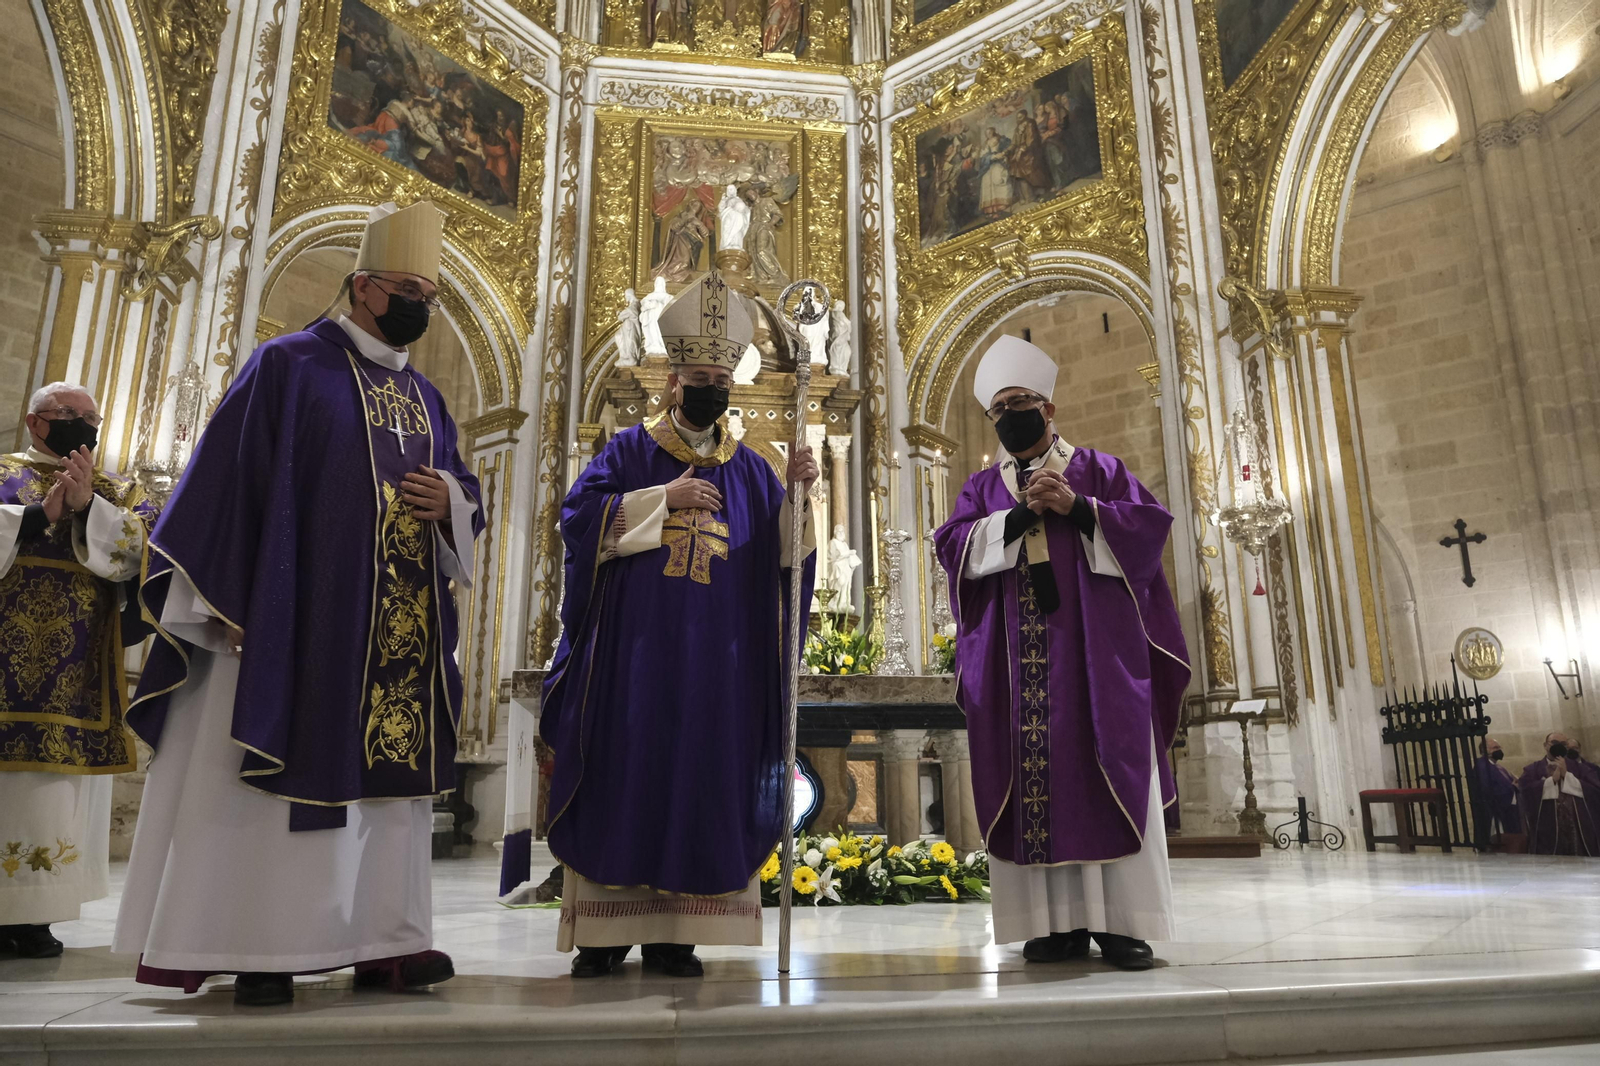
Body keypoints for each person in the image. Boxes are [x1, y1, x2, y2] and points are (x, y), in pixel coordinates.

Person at [112, 201, 484, 1006]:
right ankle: (262, 946)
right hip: (296, 618)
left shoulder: (426, 398)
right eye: (407, 290)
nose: (419, 306)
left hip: (395, 633)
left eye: (430, 295)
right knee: (273, 780)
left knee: (389, 778)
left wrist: (450, 501)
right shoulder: (287, 365)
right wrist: (226, 600)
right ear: (363, 287)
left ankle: (387, 942)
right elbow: (226, 482)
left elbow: (465, 492)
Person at [540, 270, 817, 979]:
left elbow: (787, 564)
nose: (710, 389)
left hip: (717, 672)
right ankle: (603, 937)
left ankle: (676, 937)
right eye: (698, 378)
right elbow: (578, 522)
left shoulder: (752, 471)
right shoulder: (629, 452)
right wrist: (662, 498)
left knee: (698, 781)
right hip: (632, 663)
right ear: (672, 382)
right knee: (624, 776)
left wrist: (800, 497)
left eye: (720, 380)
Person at [934, 336, 1189, 971]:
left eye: (1021, 403)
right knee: (1033, 786)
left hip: (1097, 663)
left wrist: (1079, 509)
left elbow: (1148, 531)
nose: (1010, 417)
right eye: (999, 409)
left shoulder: (1100, 471)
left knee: (1109, 772)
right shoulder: (982, 488)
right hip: (1016, 671)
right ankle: (1052, 926)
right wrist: (1016, 519)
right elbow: (953, 547)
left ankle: (1122, 924)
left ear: (1048, 409)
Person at [0, 384, 159, 958]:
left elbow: (146, 552)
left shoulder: (120, 489)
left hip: (78, 668)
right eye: (70, 414)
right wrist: (38, 515)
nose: (84, 425)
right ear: (35, 422)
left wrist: (91, 506)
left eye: (92, 417)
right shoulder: (4, 473)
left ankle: (36, 914)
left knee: (54, 789)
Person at [1517, 733, 1599, 856]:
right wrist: (1550, 782)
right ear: (1545, 745)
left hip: (1577, 826)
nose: (1559, 746)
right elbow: (1525, 790)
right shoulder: (1532, 769)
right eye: (1554, 743)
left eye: (1563, 744)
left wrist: (1567, 776)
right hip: (1547, 827)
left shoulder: (1580, 768)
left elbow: (1595, 789)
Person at [1470, 737, 1519, 846]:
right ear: (1485, 750)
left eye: (1499, 747)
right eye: (1495, 748)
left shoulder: (1496, 766)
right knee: (1497, 843)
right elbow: (1486, 789)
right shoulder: (1482, 766)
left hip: (1505, 810)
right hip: (1493, 811)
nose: (1499, 750)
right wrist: (1512, 787)